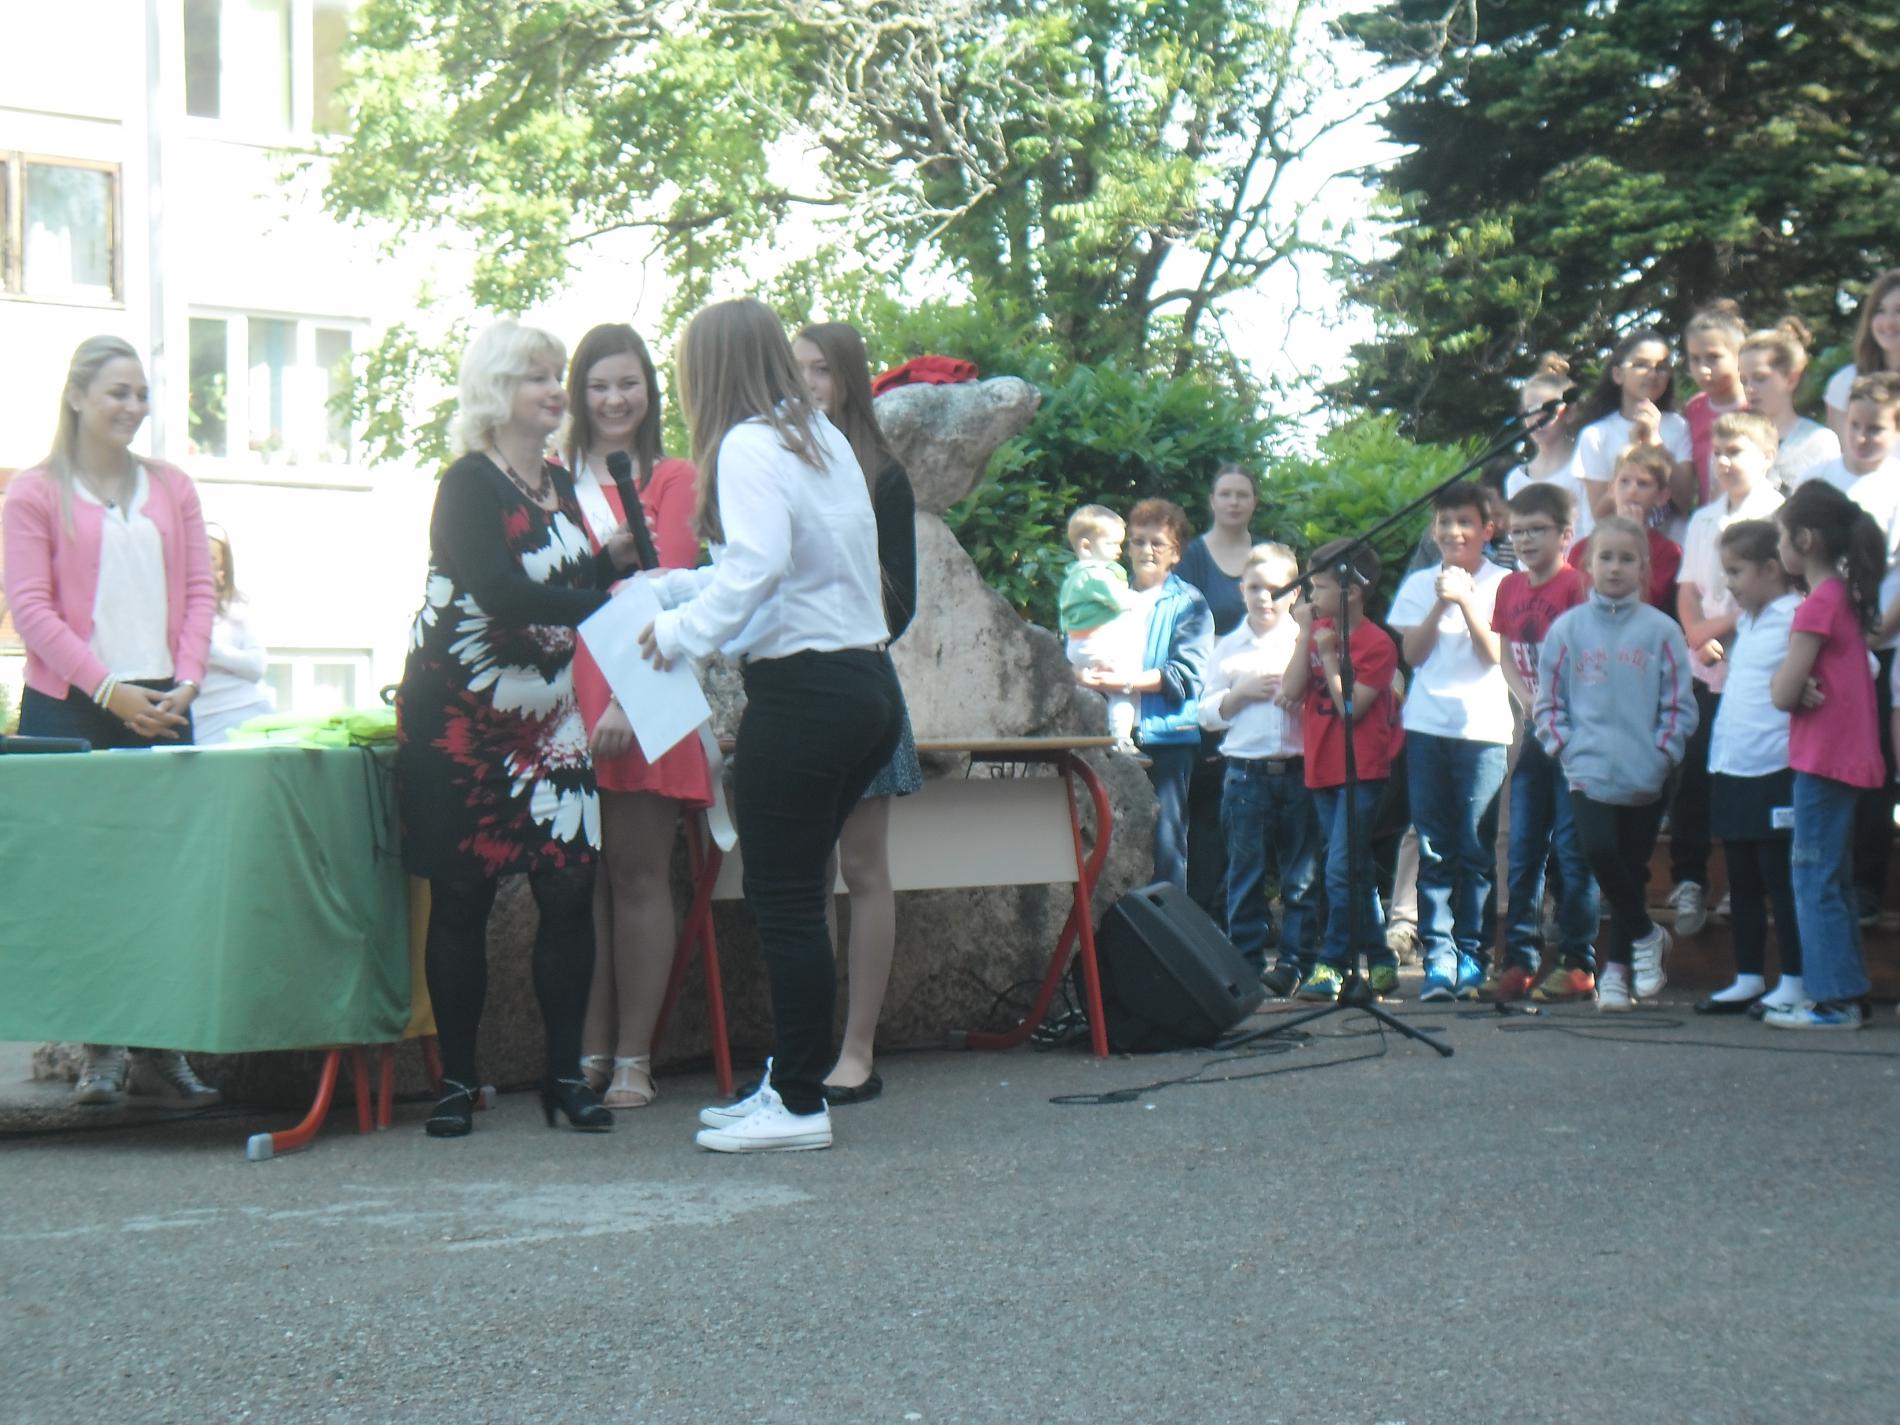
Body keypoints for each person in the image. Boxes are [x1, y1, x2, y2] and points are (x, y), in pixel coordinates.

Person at [643, 299, 900, 1153]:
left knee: (785, 901)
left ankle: (796, 1103)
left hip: (804, 695)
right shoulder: (819, 437)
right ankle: (793, 1080)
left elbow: (758, 566)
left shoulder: (749, 445)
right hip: (865, 686)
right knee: (798, 894)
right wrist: (680, 590)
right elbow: (782, 573)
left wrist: (678, 632)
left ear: (707, 370)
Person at [397, 318, 637, 1139]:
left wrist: (610, 563)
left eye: (555, 374)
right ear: (499, 390)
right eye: (538, 375)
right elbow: (500, 591)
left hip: (551, 719)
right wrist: (606, 603)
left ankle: (565, 1077)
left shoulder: (559, 482)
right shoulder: (468, 482)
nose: (555, 390)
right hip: (463, 722)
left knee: (568, 889)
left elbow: (558, 577)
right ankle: (457, 1083)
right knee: (462, 896)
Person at [2, 334, 220, 1108]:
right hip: (71, 709)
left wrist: (186, 681)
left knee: (163, 884)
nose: (132, 407)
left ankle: (161, 1049)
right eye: (117, 392)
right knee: (88, 886)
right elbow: (30, 609)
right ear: (77, 397)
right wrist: (108, 690)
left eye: (140, 394)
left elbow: (201, 592)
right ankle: (99, 1050)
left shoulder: (173, 487)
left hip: (163, 706)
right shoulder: (34, 493)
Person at [561, 323, 713, 1112]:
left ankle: (633, 1057)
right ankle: (588, 1049)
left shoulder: (673, 477)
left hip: (639, 688)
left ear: (650, 391)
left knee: (639, 873)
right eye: (598, 385)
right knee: (583, 882)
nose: (614, 399)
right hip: (560, 694)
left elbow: (674, 594)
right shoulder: (552, 479)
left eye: (628, 383)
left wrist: (627, 697)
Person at [791, 320, 920, 1103]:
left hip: (861, 680)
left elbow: (899, 603)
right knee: (806, 871)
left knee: (864, 867)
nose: (805, 384)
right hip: (793, 689)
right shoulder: (776, 462)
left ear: (846, 378)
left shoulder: (881, 473)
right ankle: (806, 1045)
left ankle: (858, 1047)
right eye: (795, 369)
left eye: (819, 369)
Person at [1535, 517, 1697, 1011]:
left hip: (1646, 773)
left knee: (1631, 869)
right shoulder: (1567, 630)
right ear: (1588, 564)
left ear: (1643, 567)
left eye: (1627, 559)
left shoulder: (1662, 631)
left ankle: (1617, 974)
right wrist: (1565, 747)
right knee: (1599, 852)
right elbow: (1549, 702)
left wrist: (1662, 754)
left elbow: (1679, 704)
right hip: (1587, 770)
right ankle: (1647, 935)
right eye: (1606, 557)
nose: (1615, 567)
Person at [1765, 482, 1886, 1029]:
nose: (1778, 549)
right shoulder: (1845, 597)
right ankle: (1844, 990)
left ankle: (1834, 1002)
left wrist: (1792, 685)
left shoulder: (1817, 604)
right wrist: (1804, 684)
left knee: (1813, 877)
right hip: (1845, 756)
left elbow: (1781, 693)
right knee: (1830, 878)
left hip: (1823, 759)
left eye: (1782, 537)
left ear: (1805, 539)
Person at [1389, 482, 1512, 1001]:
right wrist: (1441, 604)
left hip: (1482, 729)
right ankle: (1438, 956)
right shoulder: (1421, 584)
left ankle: (1473, 954)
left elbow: (1495, 655)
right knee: (1434, 845)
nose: (1453, 531)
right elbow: (1413, 655)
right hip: (1427, 726)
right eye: (1444, 522)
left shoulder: (1505, 583)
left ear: (1487, 530)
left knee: (1476, 847)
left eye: (1465, 522)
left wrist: (1466, 601)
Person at [1668, 413, 1786, 936]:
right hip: (1706, 661)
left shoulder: (1778, 516)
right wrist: (1696, 632)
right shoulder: (1703, 519)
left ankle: (1748, 883)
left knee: (1749, 775)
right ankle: (1689, 879)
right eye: (1718, 452)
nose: (1724, 462)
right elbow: (1688, 588)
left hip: (1753, 661)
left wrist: (1713, 628)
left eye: (1736, 451)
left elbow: (1775, 591)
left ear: (1768, 456)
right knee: (1694, 771)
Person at [1278, 539, 1405, 1001]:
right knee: (1355, 871)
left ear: (1350, 592)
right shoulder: (1318, 631)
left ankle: (1332, 963)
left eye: (1320, 588)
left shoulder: (1377, 644)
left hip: (1361, 772)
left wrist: (1331, 657)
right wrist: (1304, 637)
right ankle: (1383, 960)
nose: (1312, 597)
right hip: (1321, 767)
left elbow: (1352, 708)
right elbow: (1292, 689)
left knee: (1338, 871)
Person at [1491, 483, 1597, 1002]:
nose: (1526, 540)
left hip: (1576, 732)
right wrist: (1528, 698)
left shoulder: (1577, 586)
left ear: (1565, 535)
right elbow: (1507, 654)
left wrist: (1553, 701)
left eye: (1537, 530)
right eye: (1518, 532)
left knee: (1574, 850)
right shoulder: (1509, 587)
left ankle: (1578, 961)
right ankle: (1520, 960)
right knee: (1524, 847)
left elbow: (1590, 655)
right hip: (1536, 728)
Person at [1697, 520, 1804, 1015]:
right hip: (1734, 765)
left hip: (1776, 767)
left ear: (1771, 569)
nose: (1730, 583)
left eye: (1736, 572)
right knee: (1740, 878)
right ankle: (1748, 975)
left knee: (1780, 879)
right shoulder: (1750, 622)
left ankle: (1796, 978)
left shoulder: (1795, 616)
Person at [1197, 543, 1317, 986]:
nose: (1264, 597)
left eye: (1275, 589)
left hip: (1299, 771)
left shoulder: (1305, 640)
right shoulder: (1228, 647)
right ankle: (1246, 964)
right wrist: (1239, 694)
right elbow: (1205, 713)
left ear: (1295, 593)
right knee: (1245, 875)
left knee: (1300, 879)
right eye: (1254, 588)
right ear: (1241, 590)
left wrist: (1303, 699)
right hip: (1246, 775)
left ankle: (1295, 964)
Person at [1077, 498, 1212, 891]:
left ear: (1176, 553)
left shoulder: (1189, 603)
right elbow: (1074, 646)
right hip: (1105, 738)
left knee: (1165, 850)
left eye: (1158, 543)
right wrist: (1081, 673)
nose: (1146, 550)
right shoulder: (1106, 593)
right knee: (1108, 847)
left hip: (1166, 740)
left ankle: (1167, 929)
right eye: (1137, 541)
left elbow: (1185, 676)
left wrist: (1123, 682)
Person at [1176, 464, 1262, 922]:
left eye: (1242, 494)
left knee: (1253, 815)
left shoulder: (1266, 558)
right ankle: (1203, 916)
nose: (1233, 502)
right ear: (1212, 500)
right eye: (1225, 493)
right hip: (1209, 700)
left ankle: (1243, 913)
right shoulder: (1193, 556)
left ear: (1254, 502)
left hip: (1262, 703)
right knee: (1208, 813)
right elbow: (1184, 627)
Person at [1843, 373, 1900, 921]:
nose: (1862, 437)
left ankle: (1866, 880)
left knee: (1873, 764)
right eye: (1855, 425)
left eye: (1876, 429)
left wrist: (1869, 638)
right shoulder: (1830, 480)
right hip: (1835, 645)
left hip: (1881, 647)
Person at [1570, 329, 1695, 525]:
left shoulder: (1679, 426)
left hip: (1671, 542)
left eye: (1661, 367)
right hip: (1617, 541)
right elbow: (1600, 513)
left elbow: (1685, 500)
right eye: (1641, 365)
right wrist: (1631, 459)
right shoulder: (1596, 435)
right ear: (1618, 374)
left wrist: (1655, 443)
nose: (1652, 374)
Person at [1058, 503, 1140, 752]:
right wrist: (1140, 601)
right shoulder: (1096, 574)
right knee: (1124, 688)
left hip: (1077, 645)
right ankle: (1121, 739)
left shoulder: (1073, 575)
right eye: (1111, 544)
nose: (1119, 550)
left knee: (1091, 692)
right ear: (1086, 546)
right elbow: (1121, 601)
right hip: (1097, 644)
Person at [1564, 445, 1681, 607]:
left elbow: (1647, 602)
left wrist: (1634, 539)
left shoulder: (1667, 552)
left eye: (1643, 484)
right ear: (1612, 489)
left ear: (1662, 496)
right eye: (1624, 481)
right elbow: (1572, 600)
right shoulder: (1582, 548)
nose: (1632, 491)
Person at [191, 525, 275, 746]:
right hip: (203, 721)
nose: (202, 564)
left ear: (223, 568)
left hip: (248, 711)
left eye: (211, 559)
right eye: (198, 555)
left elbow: (256, 666)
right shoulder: (173, 608)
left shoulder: (237, 607)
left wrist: (211, 650)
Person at [1739, 318, 1839, 491]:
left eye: (1760, 378)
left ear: (1791, 379)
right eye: (1744, 380)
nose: (1750, 389)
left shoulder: (1818, 441)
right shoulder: (1737, 437)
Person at [1502, 355, 1587, 537]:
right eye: (1530, 410)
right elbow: (1516, 537)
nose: (1536, 419)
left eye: (1547, 410)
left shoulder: (1585, 468)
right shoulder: (1516, 479)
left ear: (1570, 412)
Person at [1681, 300, 1750, 506]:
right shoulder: (1693, 410)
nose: (1703, 369)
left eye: (1713, 358)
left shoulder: (1756, 405)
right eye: (1695, 359)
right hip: (1709, 516)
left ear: (1739, 356)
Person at [1823, 269, 1900, 441]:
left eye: (1899, 310)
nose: (1888, 321)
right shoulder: (1846, 382)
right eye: (1880, 310)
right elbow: (1842, 452)